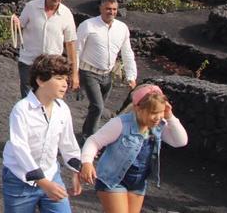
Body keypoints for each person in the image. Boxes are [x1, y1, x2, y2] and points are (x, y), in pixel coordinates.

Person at [80, 85, 188, 213]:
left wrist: (170, 117)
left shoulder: (158, 126)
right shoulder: (120, 124)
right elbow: (94, 141)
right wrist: (87, 162)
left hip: (138, 183)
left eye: (161, 112)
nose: (158, 117)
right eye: (153, 113)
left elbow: (180, 141)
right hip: (112, 180)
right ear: (138, 108)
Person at [2, 54, 82, 212]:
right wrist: (43, 183)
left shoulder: (62, 109)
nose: (65, 84)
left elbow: (68, 143)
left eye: (66, 79)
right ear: (40, 80)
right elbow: (20, 148)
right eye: (59, 78)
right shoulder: (21, 109)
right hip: (19, 180)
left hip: (51, 175)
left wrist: (75, 172)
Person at [76, 0, 138, 140]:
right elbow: (77, 50)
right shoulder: (88, 25)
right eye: (108, 9)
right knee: (98, 107)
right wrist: (75, 74)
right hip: (89, 71)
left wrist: (131, 76)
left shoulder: (122, 28)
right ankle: (91, 138)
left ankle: (86, 133)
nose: (111, 12)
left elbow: (127, 53)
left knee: (97, 107)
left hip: (107, 75)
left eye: (114, 9)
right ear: (101, 8)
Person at [13, 0, 78, 98]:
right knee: (28, 99)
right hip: (29, 62)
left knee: (49, 99)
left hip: (52, 65)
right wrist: (15, 23)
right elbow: (19, 27)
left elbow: (70, 44)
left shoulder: (66, 14)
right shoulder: (31, 7)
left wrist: (74, 74)